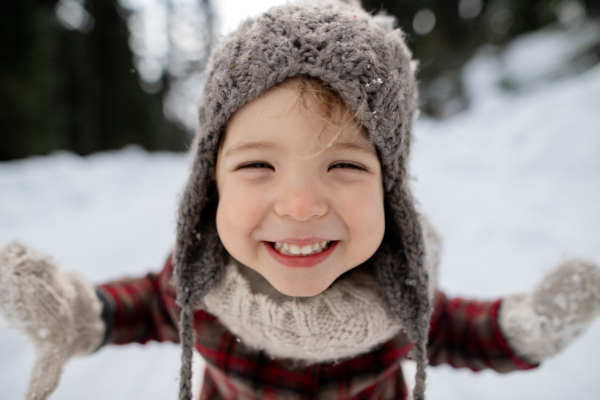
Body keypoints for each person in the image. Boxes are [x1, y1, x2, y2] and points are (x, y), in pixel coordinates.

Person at [1, 1, 599, 399]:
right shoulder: (201, 283)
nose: (300, 205)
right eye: (258, 165)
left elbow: (465, 332)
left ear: (390, 188)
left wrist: (527, 326)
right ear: (211, 185)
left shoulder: (401, 291)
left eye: (344, 165)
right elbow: (137, 308)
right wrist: (81, 312)